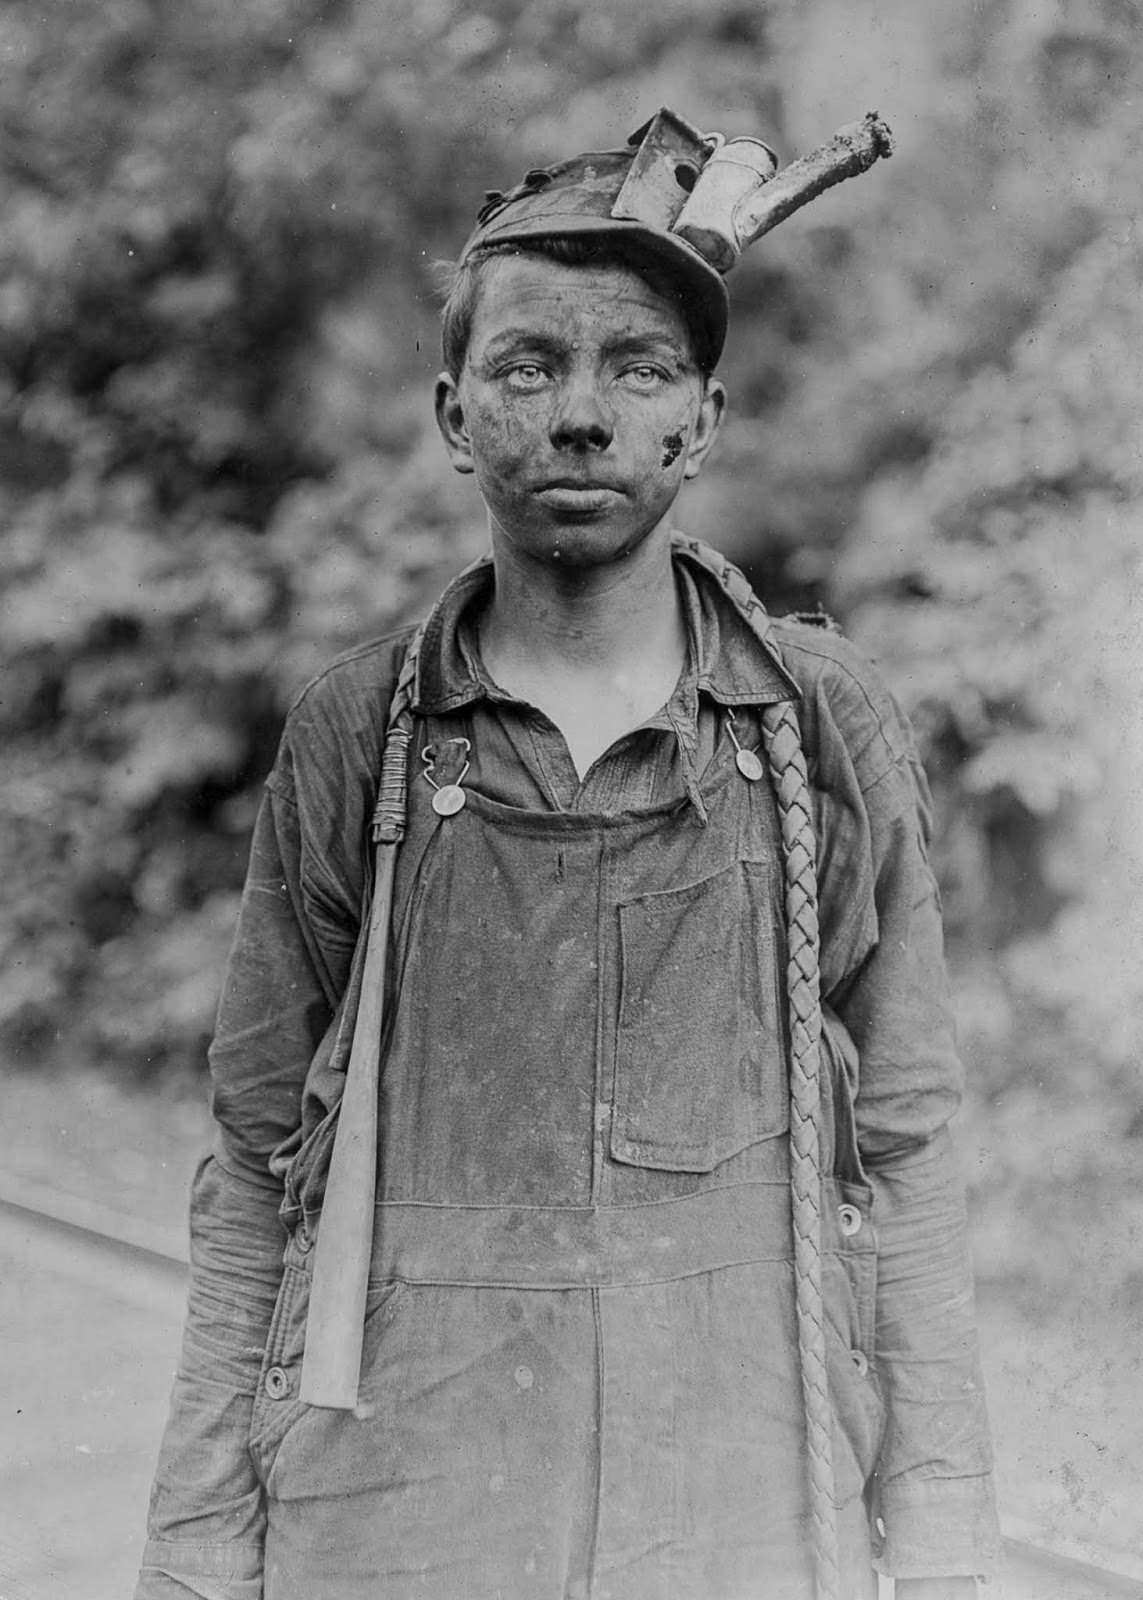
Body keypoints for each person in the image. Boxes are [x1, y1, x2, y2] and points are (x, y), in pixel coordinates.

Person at [136, 110, 1000, 1600]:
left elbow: (909, 1151)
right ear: (454, 413)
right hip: (407, 1504)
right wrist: (197, 1556)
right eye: (530, 365)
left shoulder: (813, 725)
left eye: (638, 366)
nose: (583, 414)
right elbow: (259, 1163)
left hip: (734, 1508)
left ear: (703, 421)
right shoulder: (364, 735)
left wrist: (943, 1550)